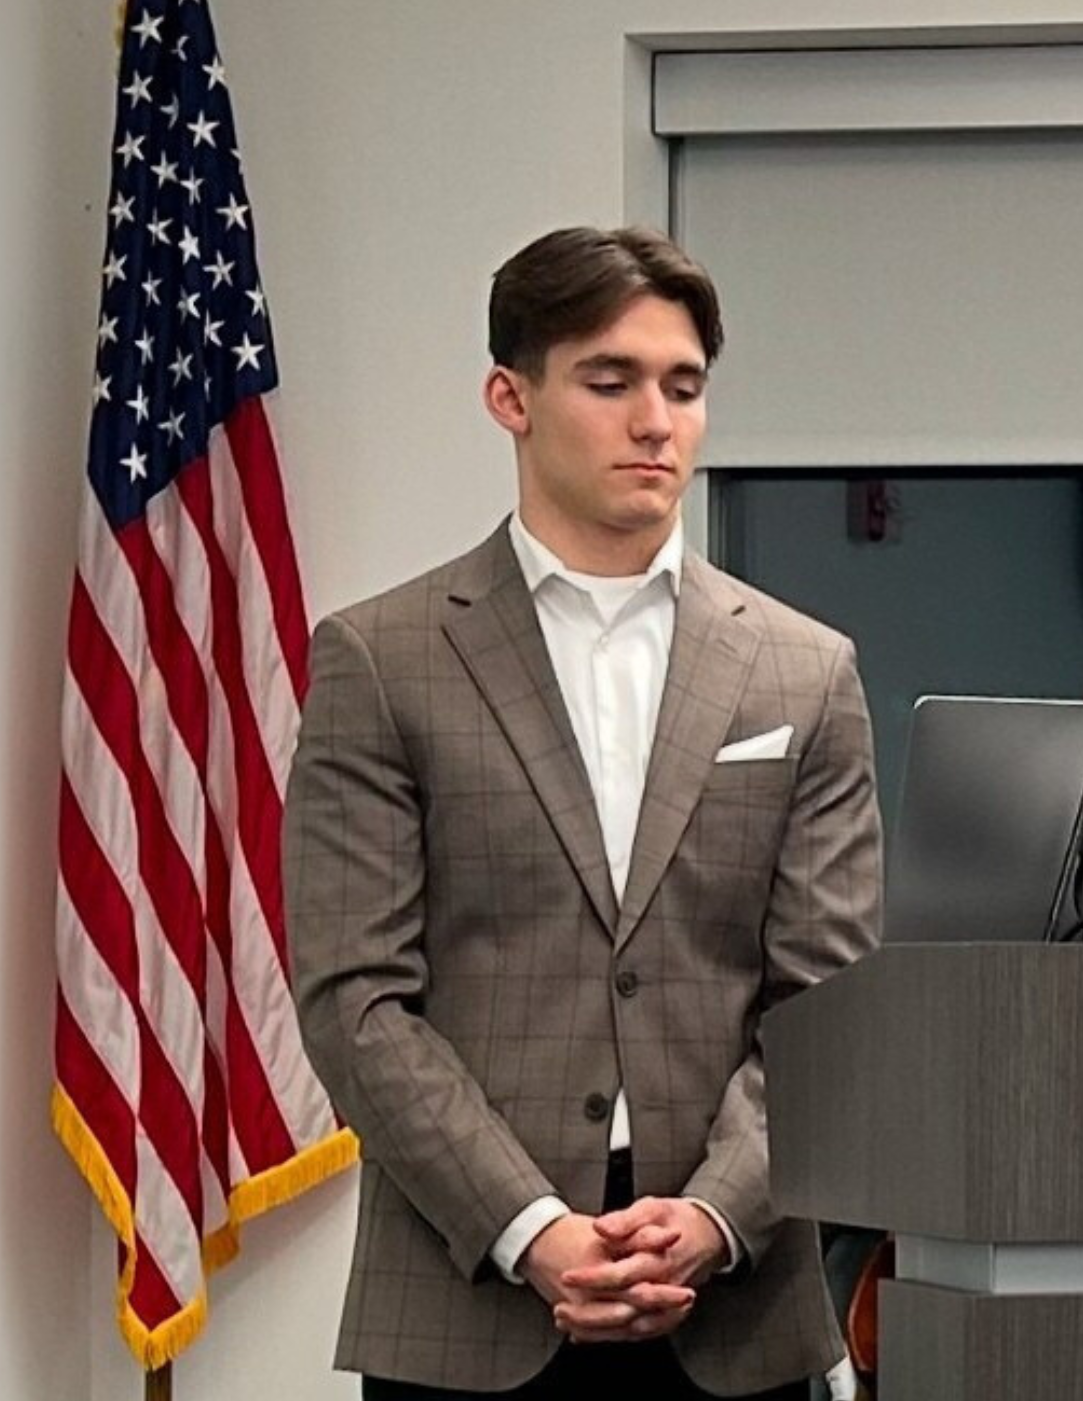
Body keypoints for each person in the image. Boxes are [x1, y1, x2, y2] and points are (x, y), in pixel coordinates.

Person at [287, 227, 881, 1400]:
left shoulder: (802, 671)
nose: (655, 419)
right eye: (610, 381)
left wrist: (717, 1211)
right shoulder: (382, 657)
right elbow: (356, 998)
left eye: (684, 385)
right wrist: (531, 1223)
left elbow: (830, 1001)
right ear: (510, 396)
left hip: (734, 1310)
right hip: (471, 1305)